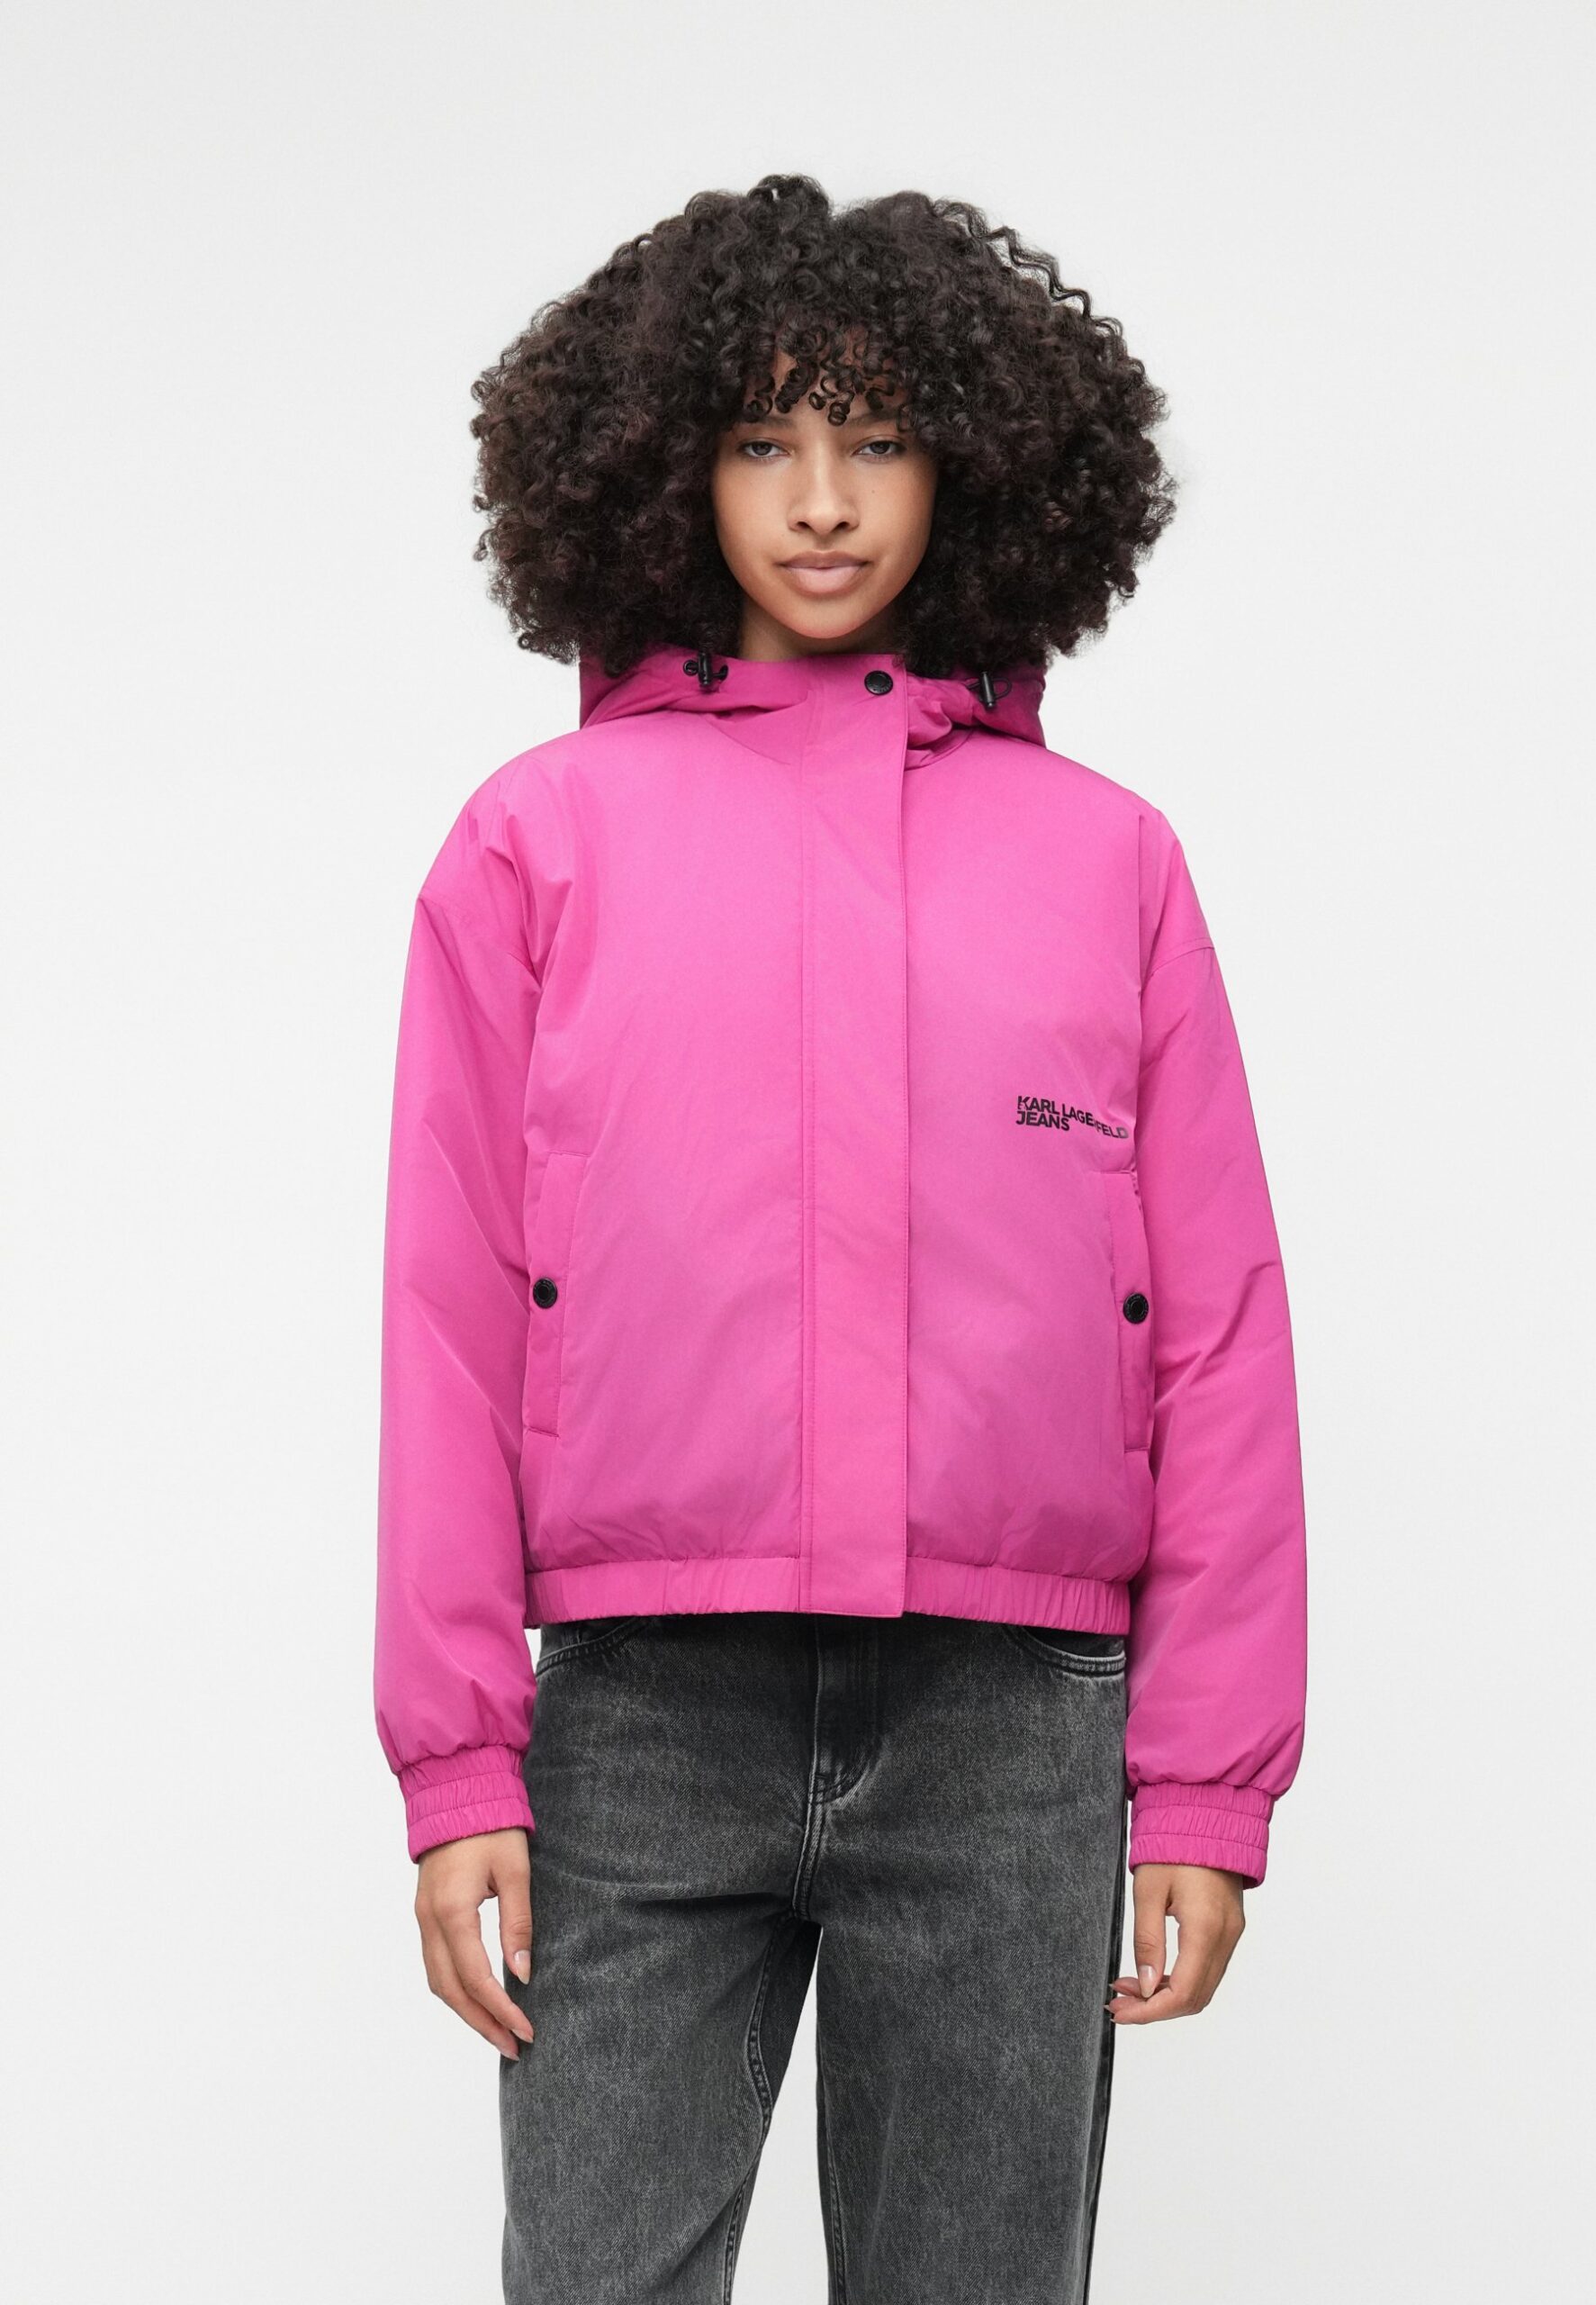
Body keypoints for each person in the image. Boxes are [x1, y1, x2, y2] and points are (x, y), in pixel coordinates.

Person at [373, 173, 1308, 2304]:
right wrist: (455, 1754)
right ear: (661, 467)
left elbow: (1215, 1331)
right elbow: (445, 1314)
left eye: (876, 437)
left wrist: (1202, 1784)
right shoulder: (537, 838)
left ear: (973, 465)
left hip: (1008, 1722)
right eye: (761, 439)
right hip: (641, 1708)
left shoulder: (1106, 859)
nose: (819, 501)